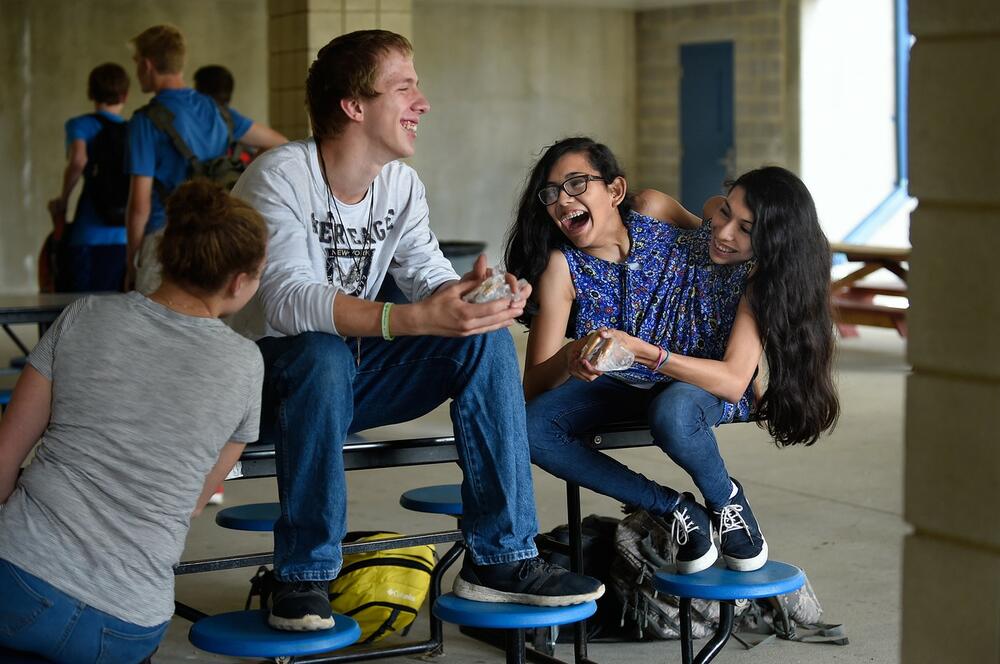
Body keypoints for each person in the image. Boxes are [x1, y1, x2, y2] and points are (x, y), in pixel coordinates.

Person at [232, 30, 603, 632]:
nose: (422, 102)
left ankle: (502, 559)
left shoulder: (400, 187)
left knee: (482, 341)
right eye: (405, 87)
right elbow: (287, 301)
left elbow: (427, 271)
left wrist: (476, 298)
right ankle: (302, 575)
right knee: (320, 352)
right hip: (258, 390)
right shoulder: (279, 177)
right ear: (355, 105)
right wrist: (410, 318)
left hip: (347, 379)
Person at [504, 137, 839, 575]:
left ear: (616, 191)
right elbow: (531, 386)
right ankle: (672, 509)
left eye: (577, 183)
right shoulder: (562, 267)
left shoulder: (655, 212)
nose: (723, 231)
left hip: (698, 383)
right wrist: (572, 356)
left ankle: (726, 501)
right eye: (552, 193)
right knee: (529, 427)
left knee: (676, 408)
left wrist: (720, 355)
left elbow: (717, 242)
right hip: (622, 383)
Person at [0, 180, 266, 663]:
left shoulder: (84, 315)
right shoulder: (246, 366)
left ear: (164, 253)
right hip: (128, 620)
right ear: (237, 282)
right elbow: (193, 501)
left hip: (18, 578)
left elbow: (4, 458)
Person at [126, 24, 287, 293]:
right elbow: (278, 143)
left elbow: (139, 206)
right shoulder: (215, 109)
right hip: (215, 240)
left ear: (146, 64)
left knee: (158, 330)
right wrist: (245, 175)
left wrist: (132, 264)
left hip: (165, 240)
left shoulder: (145, 121)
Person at [47, 63, 130, 292]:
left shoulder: (80, 125)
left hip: (89, 232)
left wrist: (63, 200)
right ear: (125, 94)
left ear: (91, 93)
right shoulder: (133, 129)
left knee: (80, 307)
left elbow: (78, 161)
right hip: (125, 235)